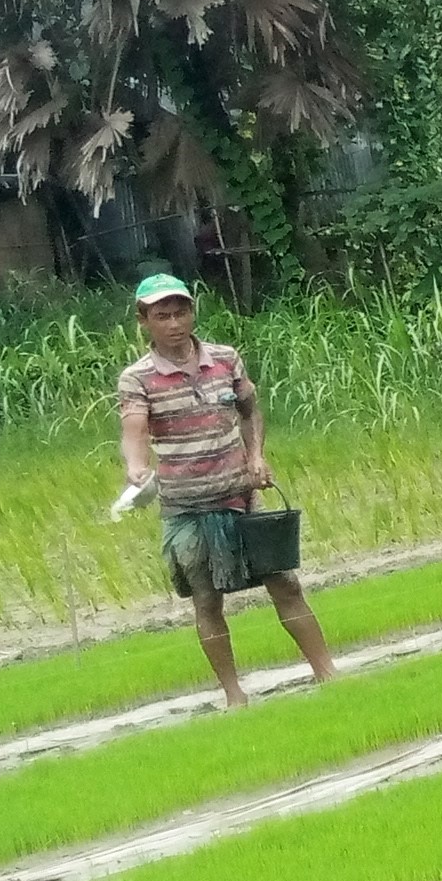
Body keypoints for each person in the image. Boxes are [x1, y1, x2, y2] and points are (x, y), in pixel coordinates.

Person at [117, 273, 338, 707]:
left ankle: (326, 672)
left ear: (192, 312)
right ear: (144, 321)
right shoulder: (137, 378)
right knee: (206, 599)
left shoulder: (224, 358)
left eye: (181, 312)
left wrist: (256, 456)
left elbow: (250, 410)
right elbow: (134, 427)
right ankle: (234, 695)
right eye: (163, 315)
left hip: (241, 496)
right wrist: (136, 467)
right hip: (186, 505)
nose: (175, 323)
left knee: (286, 584)